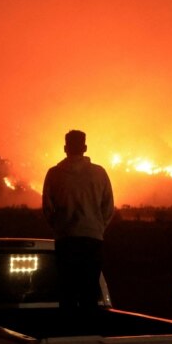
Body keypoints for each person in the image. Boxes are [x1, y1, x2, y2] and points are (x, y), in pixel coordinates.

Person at [41, 129, 115, 319]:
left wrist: (61, 227)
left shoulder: (54, 174)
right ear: (85, 147)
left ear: (65, 148)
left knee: (67, 291)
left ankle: (68, 333)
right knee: (90, 291)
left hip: (66, 240)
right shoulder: (99, 173)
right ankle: (88, 333)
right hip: (93, 240)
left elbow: (48, 209)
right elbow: (108, 207)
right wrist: (97, 227)